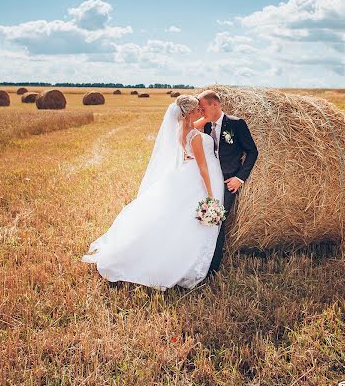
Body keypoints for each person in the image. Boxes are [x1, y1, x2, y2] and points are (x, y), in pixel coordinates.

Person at [81, 95, 225, 291]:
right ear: (190, 113)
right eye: (197, 109)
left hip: (185, 175)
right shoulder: (197, 136)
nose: (201, 111)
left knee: (174, 219)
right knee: (188, 223)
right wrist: (210, 195)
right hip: (198, 180)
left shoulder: (181, 130)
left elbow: (196, 126)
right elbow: (203, 169)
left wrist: (209, 117)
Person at [196, 90, 259, 276]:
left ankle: (212, 267)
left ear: (215, 105)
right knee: (201, 219)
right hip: (206, 181)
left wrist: (239, 178)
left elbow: (252, 152)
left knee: (217, 220)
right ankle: (198, 258)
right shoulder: (204, 126)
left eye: (203, 107)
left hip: (226, 181)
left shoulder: (236, 124)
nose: (200, 111)